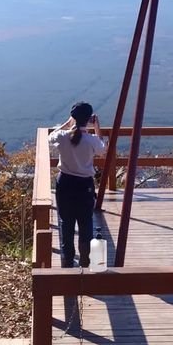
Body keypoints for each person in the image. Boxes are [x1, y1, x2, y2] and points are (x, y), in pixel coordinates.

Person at [48, 101, 106, 268]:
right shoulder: (92, 141)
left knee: (66, 222)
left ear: (73, 118)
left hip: (65, 183)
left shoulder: (62, 137)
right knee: (85, 222)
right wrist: (97, 127)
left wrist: (67, 123)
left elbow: (50, 137)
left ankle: (67, 259)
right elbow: (102, 148)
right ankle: (86, 259)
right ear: (89, 119)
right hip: (84, 186)